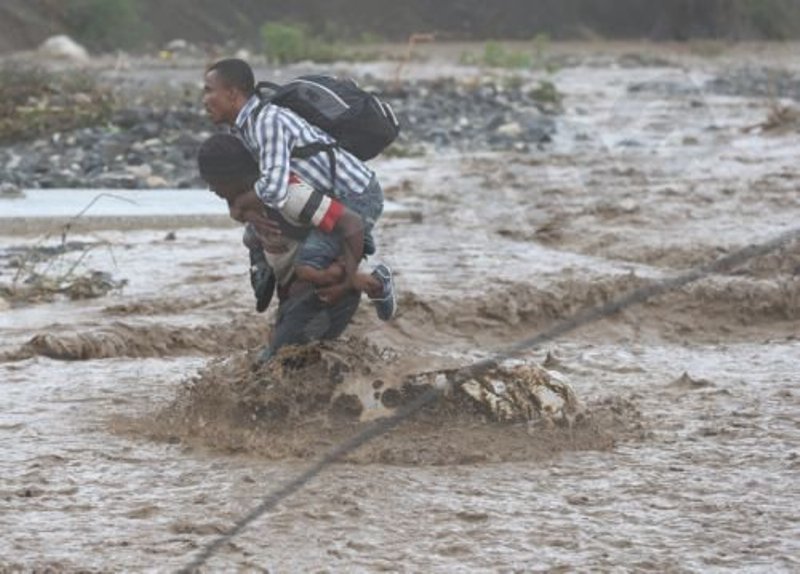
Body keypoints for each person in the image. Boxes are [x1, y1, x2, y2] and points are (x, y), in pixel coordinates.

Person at [202, 57, 395, 320]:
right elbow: (250, 184)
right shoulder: (244, 129)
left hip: (356, 196)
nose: (204, 100)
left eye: (208, 90)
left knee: (311, 265)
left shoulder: (266, 123)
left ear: (233, 93)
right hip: (321, 199)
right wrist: (244, 211)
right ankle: (265, 270)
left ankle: (374, 279)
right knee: (254, 231)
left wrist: (240, 206)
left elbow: (274, 189)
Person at [197, 134, 387, 362]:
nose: (210, 189)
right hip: (295, 296)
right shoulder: (248, 204)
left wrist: (346, 282)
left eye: (213, 182)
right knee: (284, 369)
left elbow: (352, 223)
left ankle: (371, 283)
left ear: (231, 177)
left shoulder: (289, 195)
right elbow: (241, 217)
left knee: (279, 366)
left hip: (324, 295)